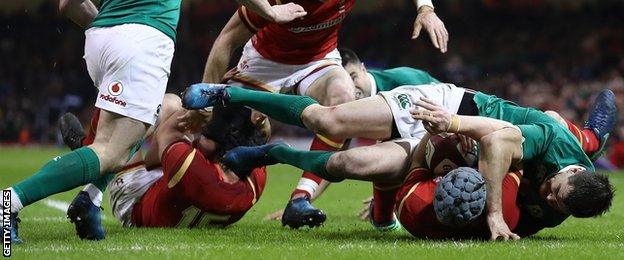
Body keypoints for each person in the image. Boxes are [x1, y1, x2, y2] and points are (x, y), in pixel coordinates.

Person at [3, 0, 307, 243]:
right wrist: (270, 11)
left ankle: (90, 196)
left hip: (100, 36)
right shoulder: (248, 175)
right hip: (145, 36)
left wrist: (111, 30)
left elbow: (68, 5)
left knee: (157, 112)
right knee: (109, 152)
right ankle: (10, 202)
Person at [180, 82, 616, 240]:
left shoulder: (569, 197)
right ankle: (227, 93)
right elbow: (497, 142)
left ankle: (271, 152)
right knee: (329, 118)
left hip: (436, 149)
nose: (548, 197)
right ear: (571, 170)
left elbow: (589, 141)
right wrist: (495, 217)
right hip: (443, 109)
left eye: (556, 203)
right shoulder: (551, 139)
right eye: (553, 190)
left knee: (345, 167)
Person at [200, 0, 449, 229]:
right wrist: (206, 108)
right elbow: (227, 39)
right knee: (218, 136)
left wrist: (425, 9)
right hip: (265, 62)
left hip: (318, 59)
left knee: (343, 97)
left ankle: (300, 199)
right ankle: (179, 180)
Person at [265, 47, 441, 222]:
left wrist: (390, 192)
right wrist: (301, 200)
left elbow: (444, 118)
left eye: (353, 77)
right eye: (344, 83)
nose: (351, 88)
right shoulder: (345, 104)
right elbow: (330, 159)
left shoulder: (404, 80)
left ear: (364, 69)